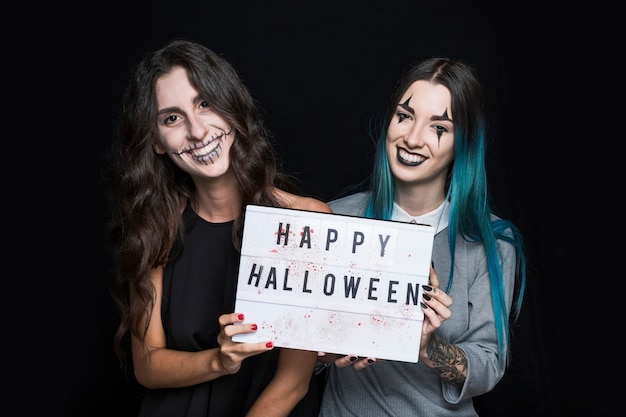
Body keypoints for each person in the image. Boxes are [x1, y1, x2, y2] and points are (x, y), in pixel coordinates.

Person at [104, 38, 330, 417]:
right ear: (157, 142)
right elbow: (148, 366)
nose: (197, 130)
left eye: (205, 103)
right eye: (171, 118)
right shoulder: (155, 227)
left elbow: (293, 383)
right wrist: (220, 360)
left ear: (231, 107)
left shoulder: (306, 220)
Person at [317, 57, 527, 416]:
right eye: (405, 116)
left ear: (463, 144)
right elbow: (296, 345)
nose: (413, 138)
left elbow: (489, 365)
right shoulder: (336, 219)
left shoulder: (492, 243)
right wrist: (323, 344)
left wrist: (426, 345)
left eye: (439, 128)